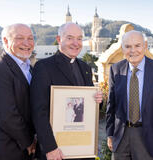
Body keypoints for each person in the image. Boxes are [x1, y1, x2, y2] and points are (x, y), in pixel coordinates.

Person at [30, 22, 103, 160]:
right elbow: (38, 112)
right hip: (56, 150)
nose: (76, 43)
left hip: (82, 147)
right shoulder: (44, 67)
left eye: (80, 38)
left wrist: (98, 100)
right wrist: (50, 148)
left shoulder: (85, 67)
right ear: (59, 39)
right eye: (70, 38)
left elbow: (91, 107)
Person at [106, 30, 153, 160]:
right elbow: (111, 105)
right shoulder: (115, 69)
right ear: (122, 48)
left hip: (149, 136)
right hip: (121, 136)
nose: (133, 50)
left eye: (137, 45)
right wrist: (110, 134)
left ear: (145, 46)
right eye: (128, 46)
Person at [0, 23, 36, 159]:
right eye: (20, 38)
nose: (26, 43)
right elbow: (6, 115)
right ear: (5, 40)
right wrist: (28, 141)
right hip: (8, 149)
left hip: (25, 148)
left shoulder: (30, 68)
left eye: (30, 38)